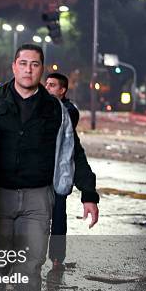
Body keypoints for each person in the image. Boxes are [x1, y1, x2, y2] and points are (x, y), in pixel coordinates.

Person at [0, 44, 99, 291]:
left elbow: (72, 151)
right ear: (13, 66)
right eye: (23, 63)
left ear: (42, 69)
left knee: (30, 267)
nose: (29, 69)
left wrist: (89, 194)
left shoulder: (55, 109)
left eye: (35, 64)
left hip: (37, 197)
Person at [45, 72, 96, 268]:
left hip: (59, 176)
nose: (48, 88)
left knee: (58, 216)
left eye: (52, 85)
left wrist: (89, 193)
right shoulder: (39, 107)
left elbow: (76, 155)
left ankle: (57, 258)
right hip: (37, 177)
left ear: (62, 90)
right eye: (46, 84)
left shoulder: (67, 112)